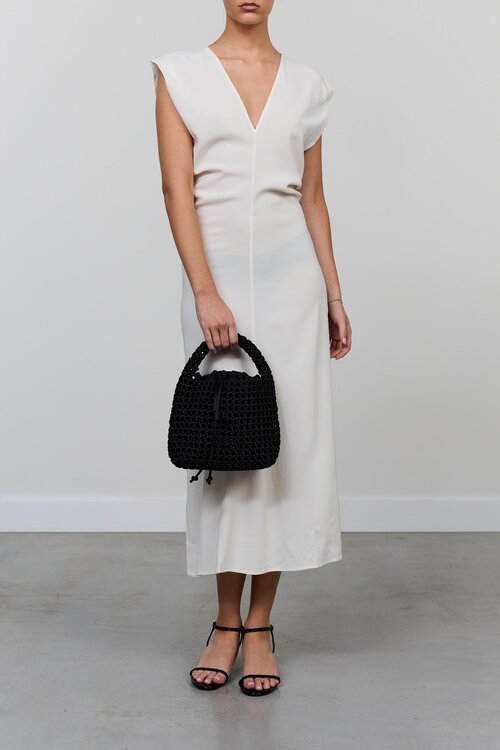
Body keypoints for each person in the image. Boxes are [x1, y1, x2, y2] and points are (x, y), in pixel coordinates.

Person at [150, 0, 352, 697]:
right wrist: (205, 291)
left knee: (281, 449)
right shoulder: (178, 74)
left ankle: (259, 625)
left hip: (293, 282)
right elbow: (176, 187)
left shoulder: (309, 85)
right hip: (217, 275)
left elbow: (314, 198)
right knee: (224, 446)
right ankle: (224, 620)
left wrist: (333, 293)